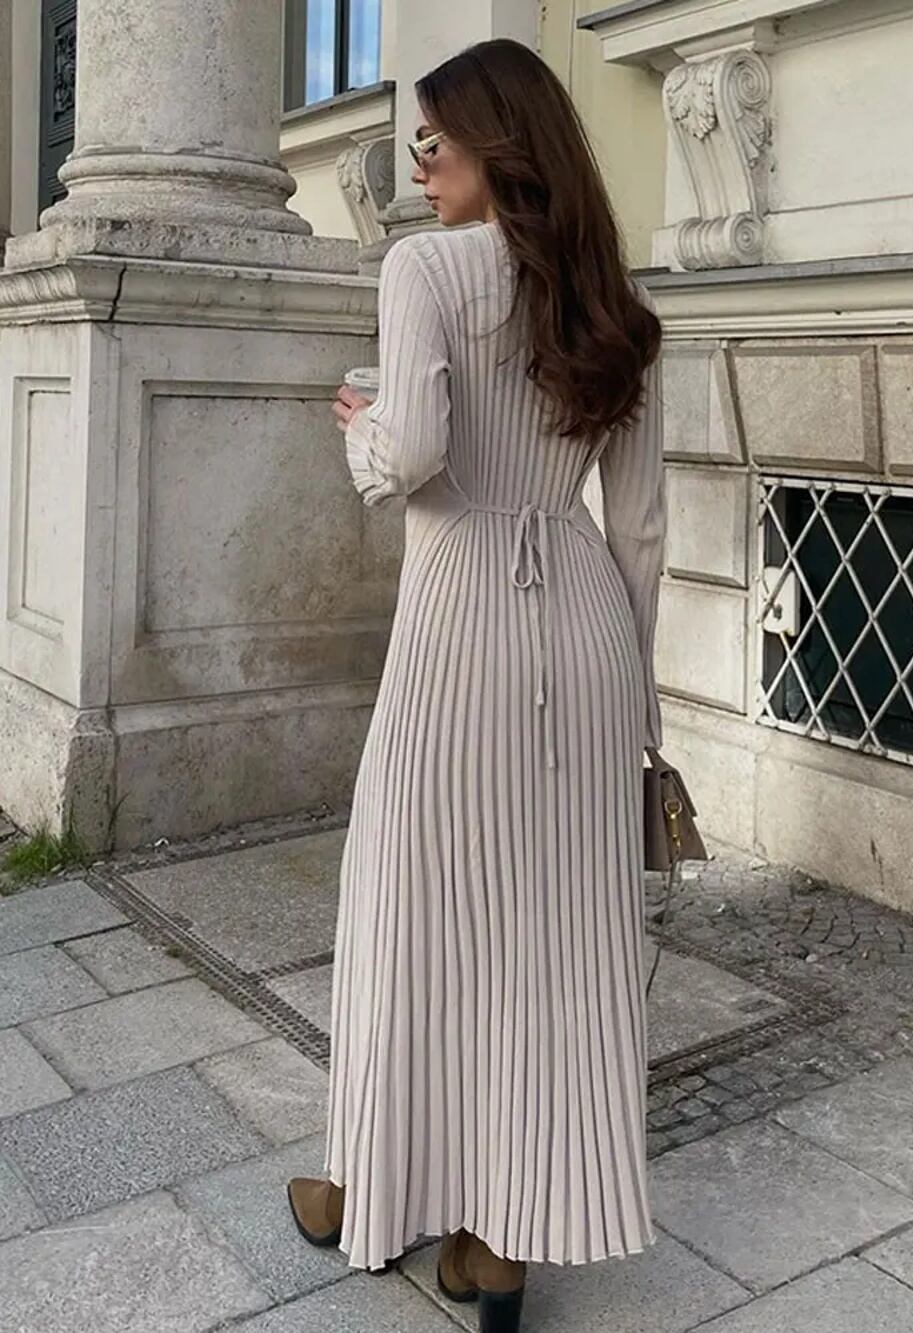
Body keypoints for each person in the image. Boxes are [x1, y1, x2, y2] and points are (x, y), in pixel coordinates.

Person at [287, 37, 665, 1333]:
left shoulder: (424, 268)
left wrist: (361, 433)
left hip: (461, 621)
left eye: (434, 141)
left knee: (409, 903)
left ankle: (367, 1180)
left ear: (496, 146)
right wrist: (637, 704)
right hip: (588, 621)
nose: (420, 165)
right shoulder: (616, 300)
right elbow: (642, 528)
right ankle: (499, 1241)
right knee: (555, 931)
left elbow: (414, 452)